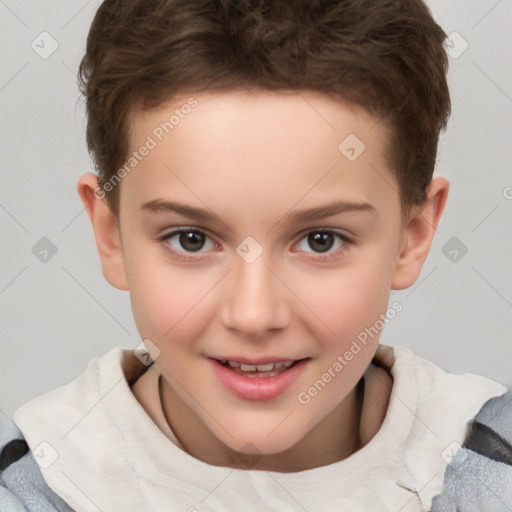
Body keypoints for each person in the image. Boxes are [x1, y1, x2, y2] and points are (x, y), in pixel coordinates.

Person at [1, 0, 511, 510]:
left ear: (412, 235)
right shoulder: (32, 491)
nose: (254, 314)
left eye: (320, 240)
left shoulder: (492, 468)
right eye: (192, 239)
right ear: (110, 235)